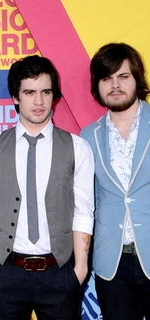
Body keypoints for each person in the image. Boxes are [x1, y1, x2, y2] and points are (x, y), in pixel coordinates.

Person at [0, 55, 94, 320]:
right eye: (29, 92)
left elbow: (84, 212)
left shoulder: (77, 148)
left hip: (59, 273)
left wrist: (80, 270)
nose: (38, 101)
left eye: (45, 92)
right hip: (7, 272)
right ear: (16, 97)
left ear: (54, 95)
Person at [81, 43, 150, 320]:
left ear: (137, 79)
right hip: (112, 262)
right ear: (97, 85)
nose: (115, 85)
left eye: (123, 76)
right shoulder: (87, 137)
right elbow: (85, 203)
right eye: (107, 78)